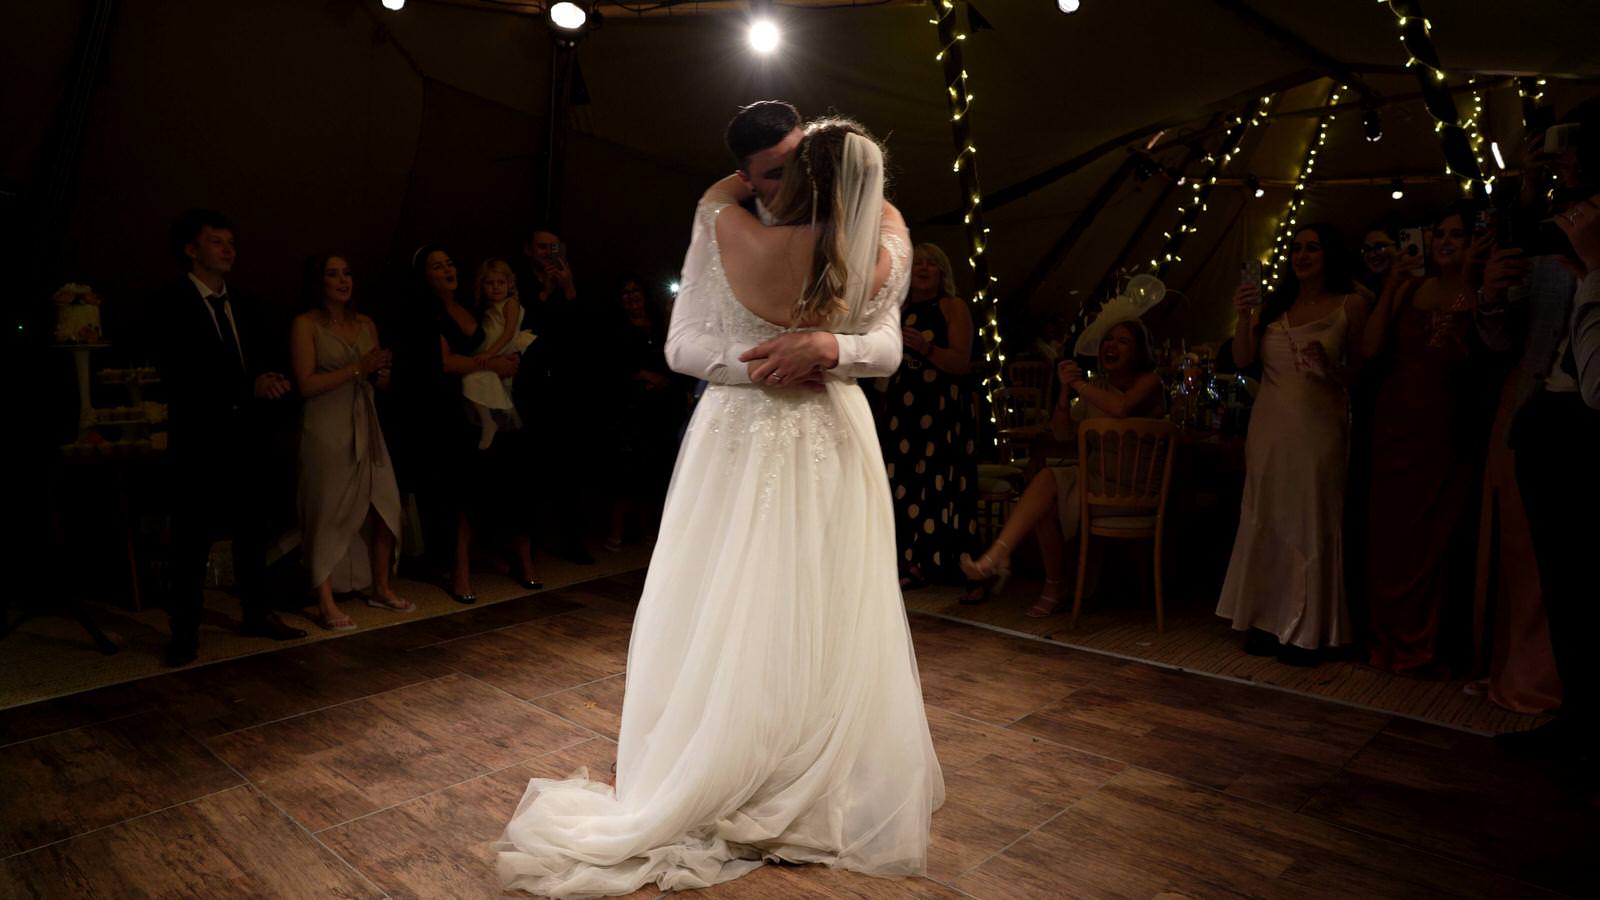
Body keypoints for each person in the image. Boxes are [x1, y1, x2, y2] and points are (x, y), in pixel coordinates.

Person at [496, 117, 942, 897]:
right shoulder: (815, 227)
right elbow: (683, 346)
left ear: (804, 168)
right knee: (729, 604)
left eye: (780, 173)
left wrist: (830, 349)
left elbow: (887, 346)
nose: (765, 187)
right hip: (744, 432)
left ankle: (802, 771)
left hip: (826, 440)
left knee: (821, 608)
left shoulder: (735, 219)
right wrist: (767, 365)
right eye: (757, 175)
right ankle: (731, 761)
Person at [1487, 99, 1600, 759]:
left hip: (1583, 418)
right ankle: (1576, 722)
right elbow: (1505, 334)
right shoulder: (1550, 225)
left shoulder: (1583, 232)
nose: (1562, 158)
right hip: (1543, 415)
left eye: (1572, 146)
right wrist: (1488, 292)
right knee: (1560, 579)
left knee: (1583, 581)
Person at [150, 210, 305, 667]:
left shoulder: (248, 305)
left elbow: (257, 360)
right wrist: (244, 388)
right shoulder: (169, 304)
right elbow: (180, 375)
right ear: (191, 249)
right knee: (192, 539)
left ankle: (257, 613)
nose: (228, 249)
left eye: (231, 241)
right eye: (216, 241)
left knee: (252, 532)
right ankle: (184, 631)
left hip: (247, 439)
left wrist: (269, 381)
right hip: (198, 440)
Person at [1216, 224, 1368, 667]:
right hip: (1270, 427)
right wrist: (1243, 316)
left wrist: (1329, 368)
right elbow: (1243, 360)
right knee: (1267, 516)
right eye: (1297, 248)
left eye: (1312, 248)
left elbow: (1361, 376)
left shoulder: (1351, 304)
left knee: (1311, 518)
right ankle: (1265, 620)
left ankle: (1308, 628)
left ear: (1330, 254)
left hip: (1319, 428)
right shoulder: (1273, 305)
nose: (1302, 255)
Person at [1361, 203, 1494, 678]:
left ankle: (1426, 644)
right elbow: (1371, 348)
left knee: (1434, 537)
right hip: (1394, 424)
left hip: (1446, 427)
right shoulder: (1410, 288)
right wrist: (1393, 284)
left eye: (1457, 235)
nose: (1445, 241)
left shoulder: (1481, 290)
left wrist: (1477, 279)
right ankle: (1385, 638)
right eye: (1439, 233)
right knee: (1390, 536)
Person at [961, 319, 1164, 617]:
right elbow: (1062, 435)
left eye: (1123, 341)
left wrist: (1079, 384)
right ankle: (1005, 561)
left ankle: (1035, 576)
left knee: (1048, 487)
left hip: (1135, 490)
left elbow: (1121, 408)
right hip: (1096, 483)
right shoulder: (1099, 388)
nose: (1111, 345)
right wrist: (1063, 396)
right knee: (1046, 485)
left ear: (1139, 351)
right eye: (1108, 339)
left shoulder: (1150, 382)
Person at [415, 245, 541, 603]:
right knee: (464, 491)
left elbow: (499, 340)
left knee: (512, 483)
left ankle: (520, 558)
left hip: (495, 400)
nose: (446, 269)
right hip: (457, 407)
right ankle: (461, 571)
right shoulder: (431, 313)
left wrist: (502, 363)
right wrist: (492, 366)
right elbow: (446, 362)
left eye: (450, 262)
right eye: (437, 266)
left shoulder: (475, 309)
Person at [289, 252, 408, 631]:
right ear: (318, 282)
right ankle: (324, 600)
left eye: (347, 273)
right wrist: (358, 368)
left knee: (385, 503)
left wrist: (381, 373)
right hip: (327, 426)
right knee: (325, 510)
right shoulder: (305, 325)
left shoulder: (365, 323)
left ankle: (381, 586)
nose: (343, 280)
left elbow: (381, 382)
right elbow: (305, 384)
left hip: (366, 422)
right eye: (333, 274)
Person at [880, 242, 981, 597]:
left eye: (932, 264)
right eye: (918, 263)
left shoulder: (953, 307)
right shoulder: (898, 309)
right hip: (902, 410)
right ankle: (909, 563)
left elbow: (961, 363)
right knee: (902, 482)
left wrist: (926, 349)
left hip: (941, 409)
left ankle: (948, 562)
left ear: (942, 273)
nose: (923, 269)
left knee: (941, 483)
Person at [516, 227, 595, 564]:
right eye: (542, 247)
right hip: (534, 385)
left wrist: (568, 287)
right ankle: (528, 543)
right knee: (534, 468)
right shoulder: (518, 285)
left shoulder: (570, 282)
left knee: (570, 468)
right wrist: (546, 292)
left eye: (554, 247)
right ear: (529, 250)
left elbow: (584, 331)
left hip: (568, 386)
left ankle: (572, 540)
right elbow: (525, 330)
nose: (548, 253)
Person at [601, 276, 685, 552]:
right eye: (625, 292)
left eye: (636, 290)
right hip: (630, 408)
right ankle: (616, 530)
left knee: (656, 469)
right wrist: (642, 375)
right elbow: (612, 364)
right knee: (628, 471)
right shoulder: (616, 329)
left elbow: (676, 359)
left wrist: (663, 380)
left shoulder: (661, 326)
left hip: (662, 406)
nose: (631, 296)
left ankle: (648, 528)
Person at [463, 259, 533, 450]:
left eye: (500, 282)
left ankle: (491, 424)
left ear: (509, 283)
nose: (495, 288)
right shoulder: (486, 308)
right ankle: (488, 422)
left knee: (478, 380)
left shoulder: (510, 304)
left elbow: (508, 333)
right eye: (490, 283)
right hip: (491, 354)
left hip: (499, 351)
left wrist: (489, 353)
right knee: (473, 381)